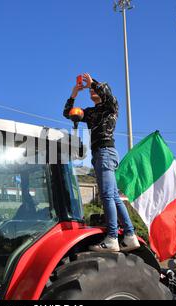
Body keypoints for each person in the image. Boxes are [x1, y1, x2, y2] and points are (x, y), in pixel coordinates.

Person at [63, 73, 140, 252]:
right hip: (99, 154)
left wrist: (94, 83)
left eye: (94, 89)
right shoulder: (90, 113)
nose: (91, 90)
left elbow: (106, 94)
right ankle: (130, 235)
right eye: (90, 89)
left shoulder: (110, 106)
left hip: (106, 152)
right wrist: (74, 92)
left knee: (106, 195)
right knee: (113, 196)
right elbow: (68, 113)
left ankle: (112, 237)